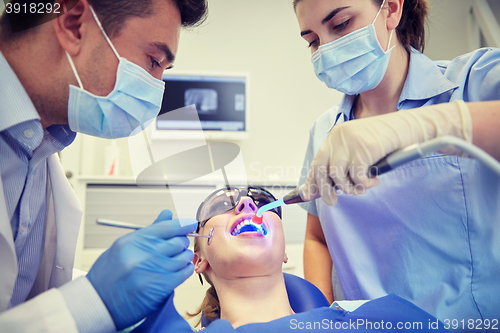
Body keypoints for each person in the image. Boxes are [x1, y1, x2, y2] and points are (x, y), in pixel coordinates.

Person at [0, 0, 207, 332]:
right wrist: (95, 302)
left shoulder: (40, 148)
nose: (156, 90)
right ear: (73, 24)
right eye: (153, 61)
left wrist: (102, 293)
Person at [293, 0, 500, 328]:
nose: (327, 49)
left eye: (342, 24)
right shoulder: (325, 132)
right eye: (313, 41)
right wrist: (318, 320)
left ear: (391, 9)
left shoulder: (474, 81)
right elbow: (316, 239)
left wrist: (433, 124)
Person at [130, 186, 448, 332]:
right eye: (221, 206)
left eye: (262, 203)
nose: (247, 207)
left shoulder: (376, 317)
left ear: (284, 252)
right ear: (198, 259)